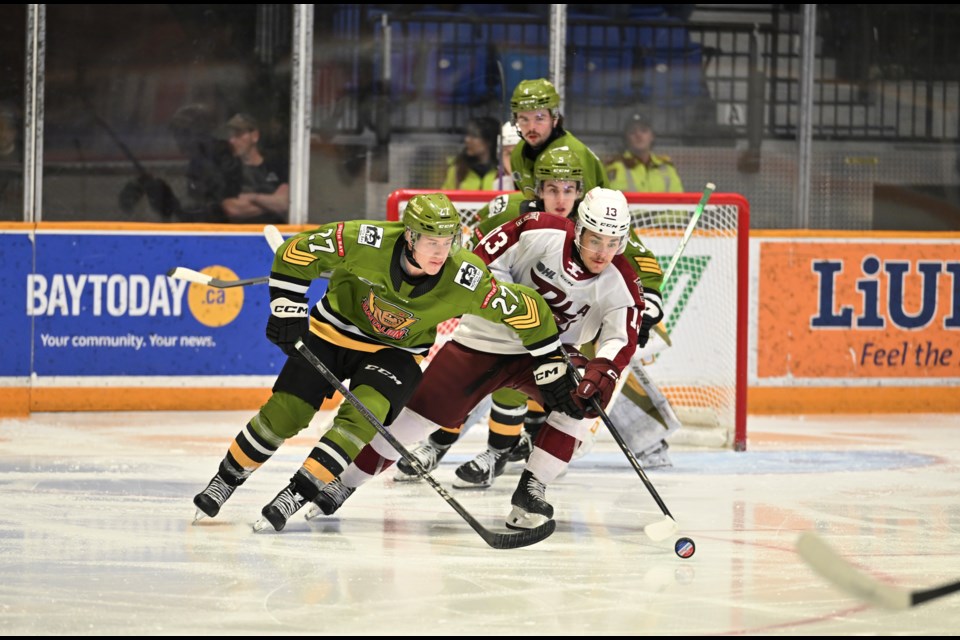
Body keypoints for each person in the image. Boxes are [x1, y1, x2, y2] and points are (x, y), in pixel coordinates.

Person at [191, 193, 572, 530]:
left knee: (363, 415)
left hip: (396, 354)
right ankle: (227, 478)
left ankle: (298, 491)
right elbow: (297, 253)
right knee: (285, 413)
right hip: (331, 334)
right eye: (431, 241)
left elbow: (529, 309)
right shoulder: (364, 240)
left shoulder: (464, 277)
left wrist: (549, 359)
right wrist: (286, 311)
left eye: (448, 241)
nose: (441, 251)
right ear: (410, 236)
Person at [304, 186, 645, 530]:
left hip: (546, 358)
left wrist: (602, 371)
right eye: (595, 240)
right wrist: (522, 314)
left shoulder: (622, 280)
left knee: (583, 400)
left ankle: (532, 489)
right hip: (483, 341)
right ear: (579, 229)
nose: (603, 252)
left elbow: (620, 337)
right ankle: (342, 483)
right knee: (413, 421)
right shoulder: (537, 230)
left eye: (613, 242)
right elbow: (482, 263)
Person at [395, 151, 670, 487]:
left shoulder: (601, 223)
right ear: (537, 189)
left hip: (571, 328)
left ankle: (514, 449)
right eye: (552, 190)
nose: (560, 199)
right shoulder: (515, 212)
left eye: (569, 190)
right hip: (504, 320)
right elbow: (473, 242)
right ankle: (441, 443)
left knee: (579, 384)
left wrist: (649, 302)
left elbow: (639, 262)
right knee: (470, 382)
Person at [124, 103, 244, 223]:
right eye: (177, 134)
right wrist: (164, 197)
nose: (178, 139)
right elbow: (193, 215)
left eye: (181, 133)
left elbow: (221, 211)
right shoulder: (198, 161)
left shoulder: (221, 158)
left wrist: (173, 205)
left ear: (197, 132)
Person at [508, 78, 607, 200]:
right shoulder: (518, 154)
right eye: (524, 119)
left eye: (539, 118)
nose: (531, 127)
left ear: (554, 118)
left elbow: (587, 211)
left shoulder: (574, 154)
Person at [221, 112, 289, 224]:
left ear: (255, 136)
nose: (232, 140)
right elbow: (232, 209)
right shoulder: (227, 169)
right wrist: (270, 201)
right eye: (230, 135)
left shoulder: (276, 165)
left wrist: (252, 198)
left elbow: (284, 203)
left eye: (238, 135)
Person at [605, 112, 684, 193]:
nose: (638, 135)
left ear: (652, 136)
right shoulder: (614, 167)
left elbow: (679, 201)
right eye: (632, 132)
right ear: (626, 139)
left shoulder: (667, 168)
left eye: (643, 130)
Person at [440, 115, 501, 190]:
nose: (467, 140)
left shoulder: (502, 172)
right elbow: (445, 196)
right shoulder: (457, 169)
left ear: (489, 141)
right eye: (467, 135)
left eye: (474, 136)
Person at [495, 120, 521, 190]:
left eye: (519, 153)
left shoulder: (546, 186)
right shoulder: (499, 186)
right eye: (508, 154)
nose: (513, 160)